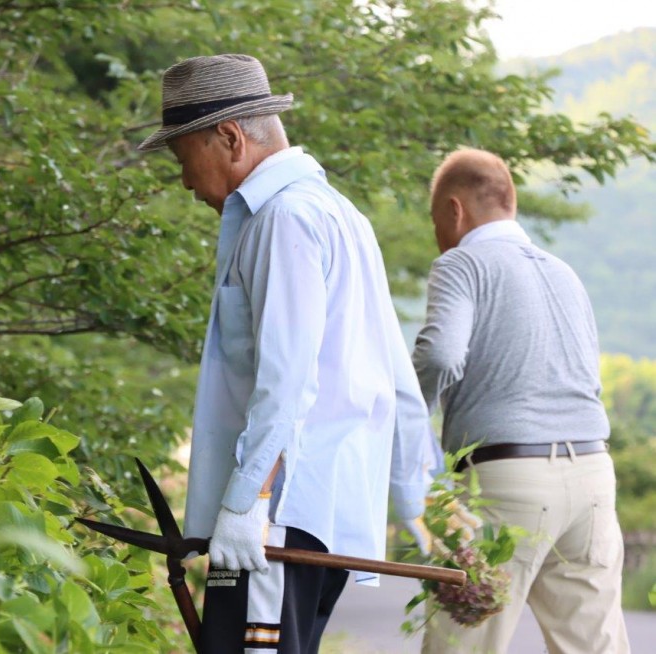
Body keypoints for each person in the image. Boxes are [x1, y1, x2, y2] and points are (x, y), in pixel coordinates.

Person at [137, 54, 434, 653]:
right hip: (315, 514)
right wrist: (413, 501)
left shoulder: (285, 219)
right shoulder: (341, 215)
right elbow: (396, 380)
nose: (186, 182)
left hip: (277, 514)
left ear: (229, 137)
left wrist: (248, 502)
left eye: (182, 158)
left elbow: (287, 380)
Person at [412, 148, 629, 653]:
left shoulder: (460, 263)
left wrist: (406, 422)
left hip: (507, 481)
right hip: (593, 474)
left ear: (453, 210)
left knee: (461, 643)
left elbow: (441, 354)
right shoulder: (565, 274)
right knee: (594, 645)